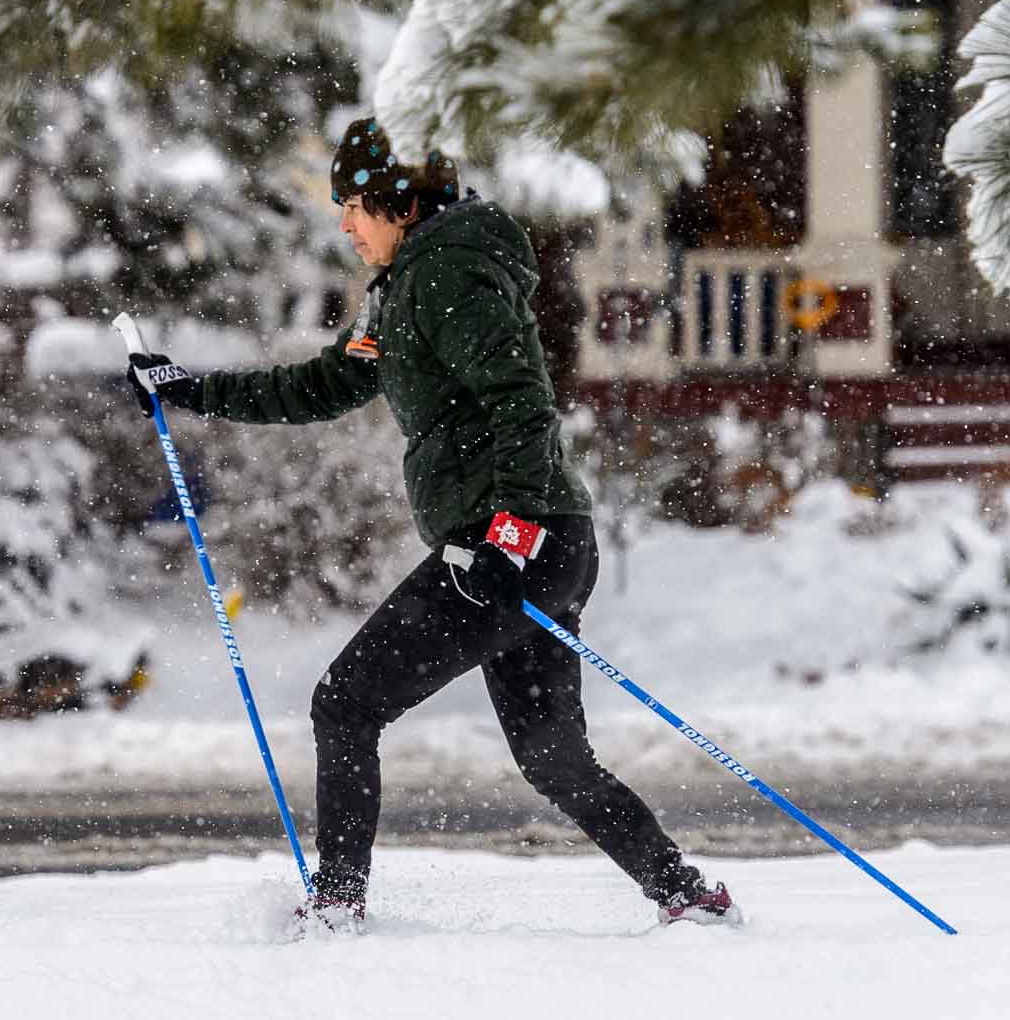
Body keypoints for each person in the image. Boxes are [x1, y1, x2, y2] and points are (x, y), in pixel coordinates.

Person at [128, 117, 736, 934]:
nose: (344, 224)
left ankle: (338, 906)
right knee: (552, 757)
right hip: (536, 542)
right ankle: (686, 895)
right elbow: (326, 386)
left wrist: (508, 538)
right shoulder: (410, 282)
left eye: (352, 206)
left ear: (399, 203)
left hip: (507, 542)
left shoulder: (448, 271)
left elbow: (522, 402)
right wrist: (189, 390)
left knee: (344, 705)